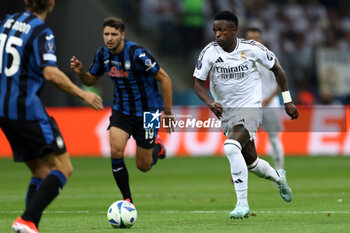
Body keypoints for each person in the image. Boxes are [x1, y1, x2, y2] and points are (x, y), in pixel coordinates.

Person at [0, 0, 104, 232]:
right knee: (63, 167)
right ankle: (27, 220)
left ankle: (30, 223)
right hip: (26, 108)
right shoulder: (41, 31)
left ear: (26, 1)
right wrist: (82, 94)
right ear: (51, 3)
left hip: (3, 110)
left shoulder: (7, 22)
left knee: (40, 170)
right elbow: (51, 73)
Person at [193, 11, 299, 219]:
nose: (217, 34)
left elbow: (278, 70)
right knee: (252, 163)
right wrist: (210, 102)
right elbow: (197, 83)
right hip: (226, 113)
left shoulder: (252, 49)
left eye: (222, 30)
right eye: (215, 30)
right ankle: (279, 179)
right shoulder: (209, 53)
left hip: (250, 108)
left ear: (234, 30)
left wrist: (287, 100)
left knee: (231, 147)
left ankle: (242, 204)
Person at [70, 17, 174, 205]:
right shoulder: (102, 55)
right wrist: (80, 72)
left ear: (122, 35)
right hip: (122, 111)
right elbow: (91, 80)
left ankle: (157, 146)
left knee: (143, 166)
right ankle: (127, 200)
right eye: (106, 34)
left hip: (148, 112)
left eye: (114, 34)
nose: (109, 38)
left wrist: (167, 111)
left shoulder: (137, 54)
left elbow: (165, 78)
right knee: (116, 151)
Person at [246, 27, 284, 170]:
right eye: (250, 38)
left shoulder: (269, 56)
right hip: (250, 105)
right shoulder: (242, 58)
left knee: (274, 139)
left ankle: (279, 171)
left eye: (256, 38)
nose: (253, 41)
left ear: (261, 40)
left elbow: (281, 82)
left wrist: (269, 98)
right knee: (245, 139)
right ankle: (241, 169)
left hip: (270, 104)